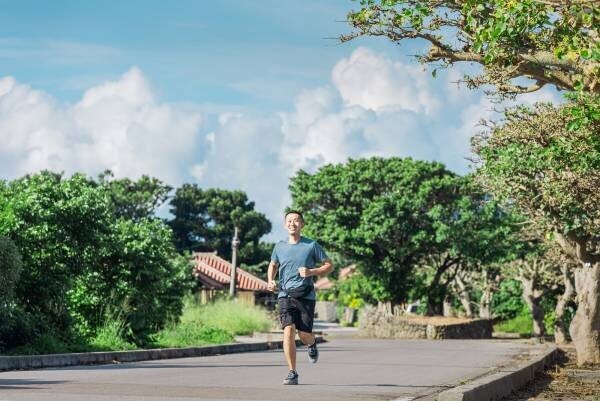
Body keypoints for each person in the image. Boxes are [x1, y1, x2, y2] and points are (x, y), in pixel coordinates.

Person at [267, 210, 333, 385]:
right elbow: (272, 265)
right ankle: (292, 372)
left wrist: (311, 271)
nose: (292, 224)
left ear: (302, 224)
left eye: (296, 221)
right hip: (285, 295)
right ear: (284, 225)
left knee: (304, 334)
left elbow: (329, 265)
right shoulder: (279, 246)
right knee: (288, 330)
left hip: (306, 296)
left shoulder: (311, 245)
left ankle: (311, 344)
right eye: (289, 221)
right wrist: (270, 280)